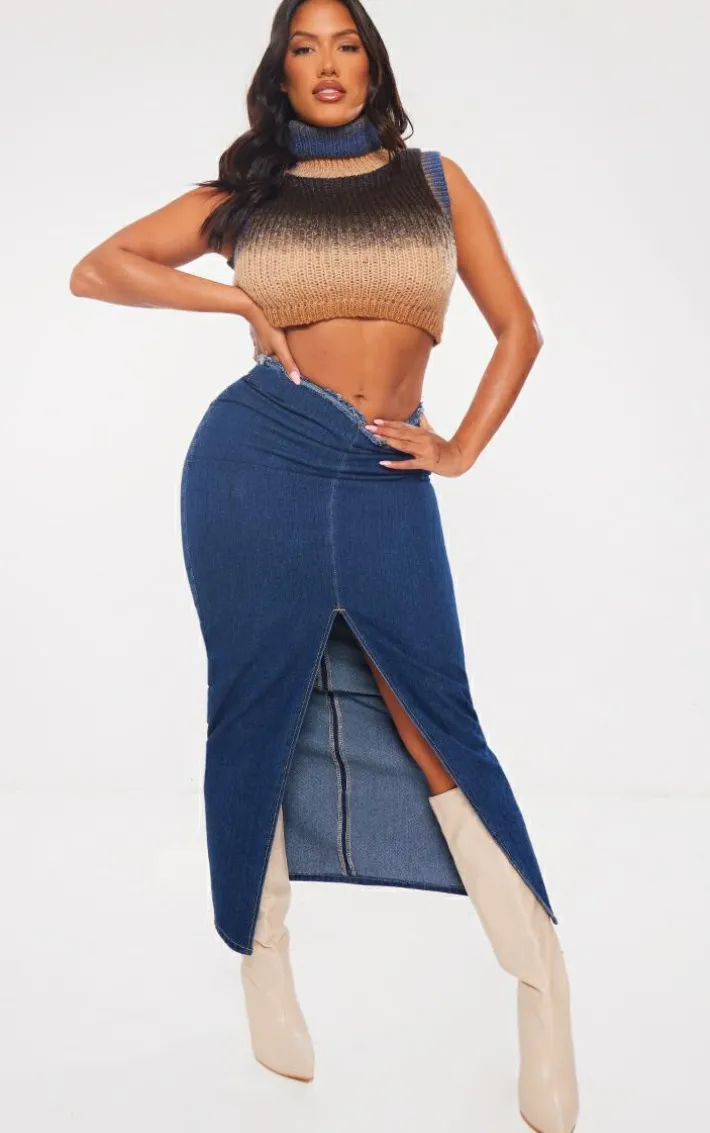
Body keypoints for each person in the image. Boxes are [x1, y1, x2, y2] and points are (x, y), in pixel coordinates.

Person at [69, 1, 579, 1130]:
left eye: (345, 44)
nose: (327, 64)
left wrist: (459, 448)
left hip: (386, 471)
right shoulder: (247, 194)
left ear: (372, 65)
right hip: (258, 460)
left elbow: (519, 329)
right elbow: (98, 269)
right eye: (304, 48)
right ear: (281, 72)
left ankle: (543, 993)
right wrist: (235, 298)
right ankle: (264, 962)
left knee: (436, 719)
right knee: (259, 705)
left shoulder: (435, 183)